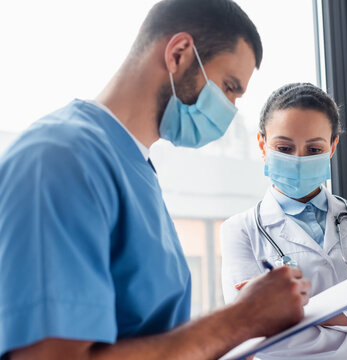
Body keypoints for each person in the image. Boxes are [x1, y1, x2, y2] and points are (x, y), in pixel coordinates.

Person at [0, 1, 312, 359]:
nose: (228, 111)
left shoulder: (135, 166)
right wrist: (241, 319)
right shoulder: (59, 159)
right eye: (227, 87)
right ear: (179, 53)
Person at [220, 83, 347, 359]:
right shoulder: (241, 231)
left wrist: (301, 316)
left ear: (332, 147)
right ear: (262, 145)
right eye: (284, 147)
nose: (297, 159)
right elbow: (253, 335)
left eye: (313, 149)